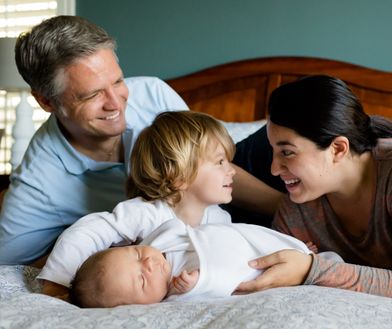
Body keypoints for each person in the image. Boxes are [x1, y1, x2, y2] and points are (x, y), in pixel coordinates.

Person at [0, 15, 283, 267]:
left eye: (118, 82)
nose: (115, 103)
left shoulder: (152, 93)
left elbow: (210, 167)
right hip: (177, 228)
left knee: (288, 133)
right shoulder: (38, 182)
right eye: (91, 95)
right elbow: (11, 264)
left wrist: (292, 209)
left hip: (223, 184)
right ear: (47, 101)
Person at [38, 110, 315, 306]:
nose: (232, 171)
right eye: (220, 162)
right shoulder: (146, 212)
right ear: (180, 175)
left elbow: (238, 252)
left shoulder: (218, 218)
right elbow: (88, 232)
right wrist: (57, 284)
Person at [236, 75, 392, 298]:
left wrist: (311, 269)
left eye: (287, 152)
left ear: (338, 149)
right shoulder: (296, 209)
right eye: (273, 151)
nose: (274, 169)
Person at [69, 219, 315, 308]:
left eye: (135, 253)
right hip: (254, 269)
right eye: (142, 280)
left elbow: (181, 229)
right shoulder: (175, 294)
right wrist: (198, 283)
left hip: (249, 244)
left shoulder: (163, 241)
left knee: (317, 261)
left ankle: (307, 256)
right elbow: (222, 287)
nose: (149, 263)